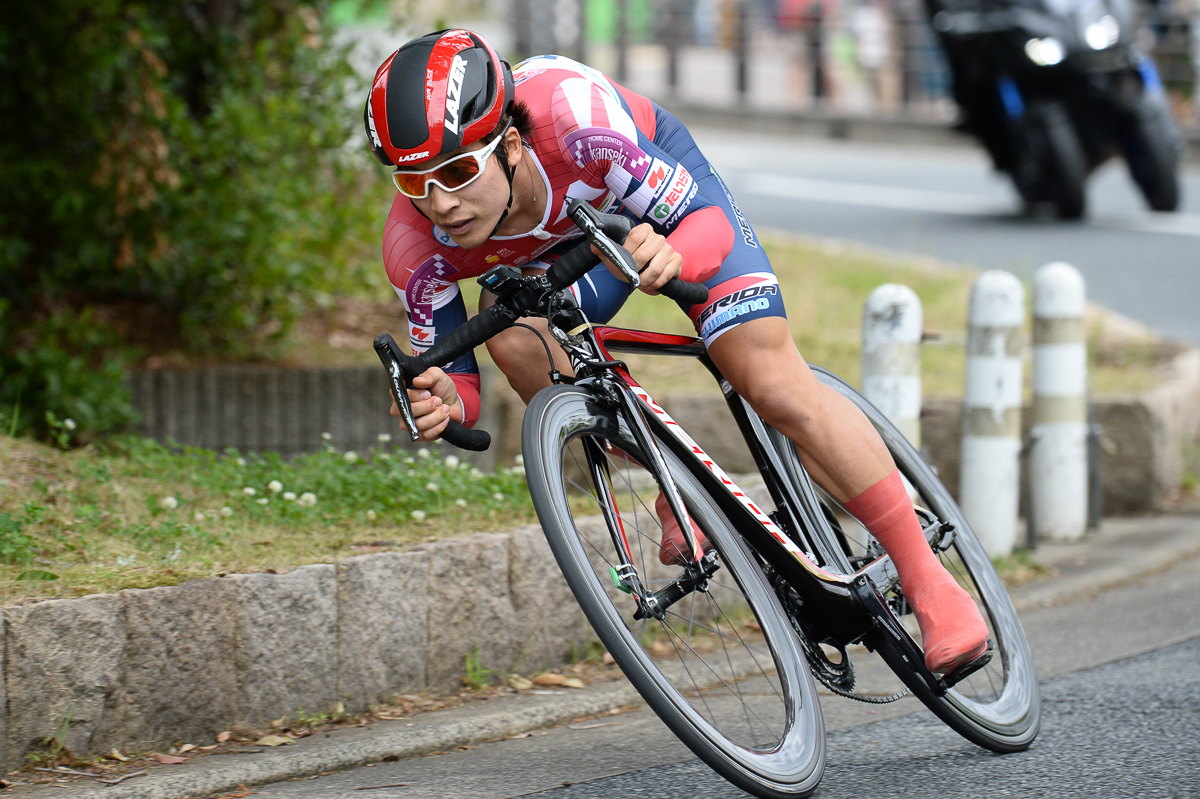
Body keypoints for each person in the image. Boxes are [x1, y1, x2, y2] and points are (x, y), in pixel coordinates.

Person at [364, 28, 987, 675]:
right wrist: (441, 400)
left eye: (459, 171)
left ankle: (929, 580)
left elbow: (706, 226)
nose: (442, 202)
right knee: (518, 343)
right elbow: (456, 378)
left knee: (766, 378)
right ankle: (672, 479)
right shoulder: (416, 246)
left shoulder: (577, 123)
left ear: (512, 144)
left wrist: (677, 252)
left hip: (664, 203)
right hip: (564, 256)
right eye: (415, 182)